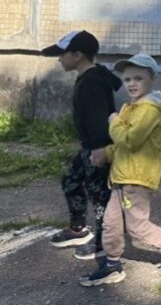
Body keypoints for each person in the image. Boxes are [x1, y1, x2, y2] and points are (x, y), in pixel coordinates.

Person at [79, 54, 161, 286]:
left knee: (137, 227)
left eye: (138, 78)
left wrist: (113, 121)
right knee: (111, 223)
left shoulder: (149, 109)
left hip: (137, 178)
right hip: (121, 176)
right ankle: (112, 265)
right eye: (127, 79)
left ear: (152, 79)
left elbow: (130, 139)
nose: (132, 84)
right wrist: (106, 154)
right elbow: (124, 146)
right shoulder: (131, 108)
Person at [43, 31, 122, 260]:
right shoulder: (92, 76)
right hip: (89, 147)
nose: (59, 58)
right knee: (71, 181)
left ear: (77, 55)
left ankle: (104, 242)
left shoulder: (92, 82)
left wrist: (98, 150)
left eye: (62, 54)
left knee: (100, 196)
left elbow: (98, 119)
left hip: (99, 148)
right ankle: (78, 229)